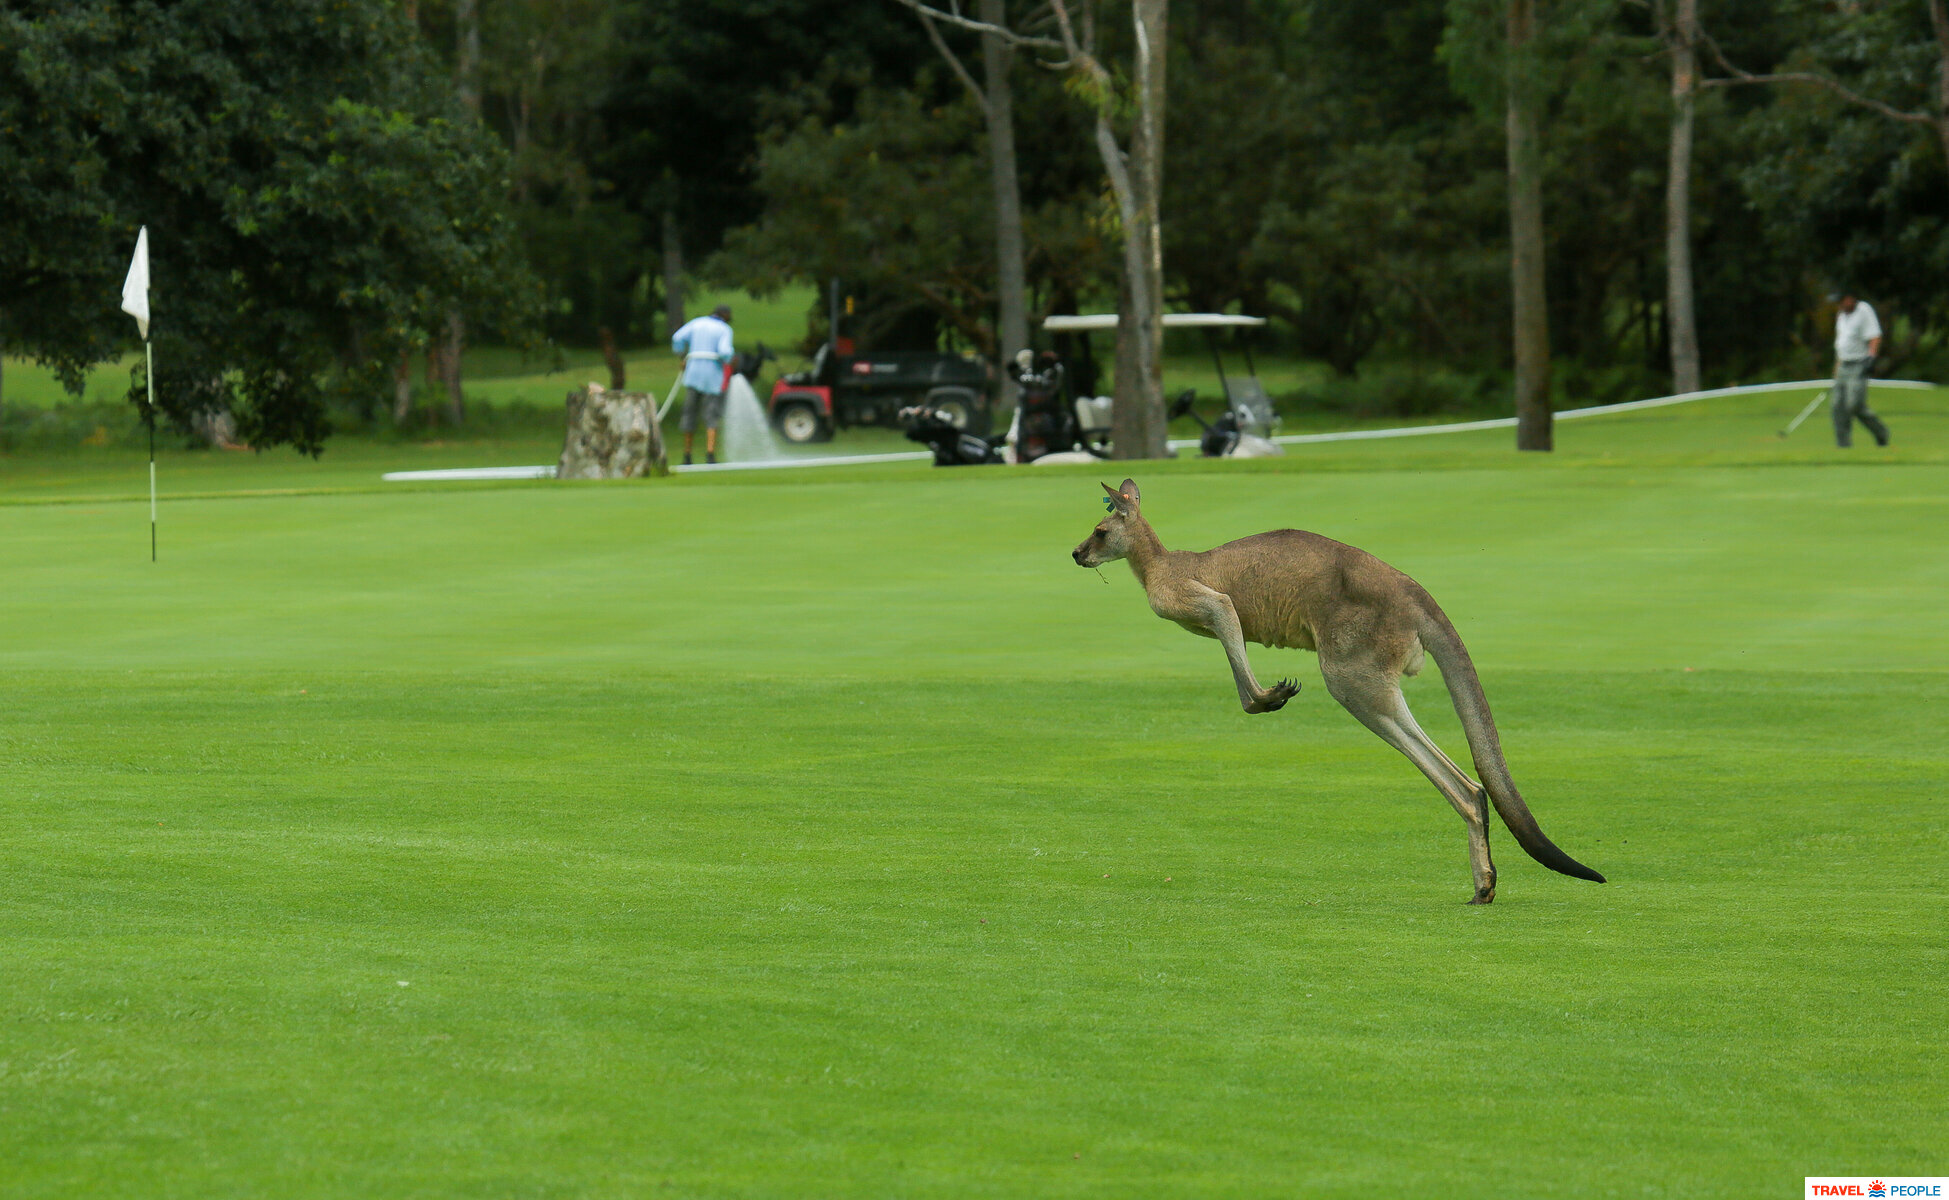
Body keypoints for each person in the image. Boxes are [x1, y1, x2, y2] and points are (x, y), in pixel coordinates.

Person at [671, 304, 735, 465]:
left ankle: (687, 455)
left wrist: (682, 355)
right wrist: (729, 359)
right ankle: (710, 454)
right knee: (711, 414)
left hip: (693, 373)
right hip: (712, 375)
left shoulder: (696, 323)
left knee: (689, 413)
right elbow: (725, 351)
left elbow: (677, 338)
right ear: (725, 315)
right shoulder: (724, 329)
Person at [1831, 292, 1889, 448]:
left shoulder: (1863, 310)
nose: (1839, 305)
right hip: (1843, 364)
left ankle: (1881, 432)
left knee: (1854, 404)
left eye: (1841, 300)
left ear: (1850, 298)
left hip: (1859, 364)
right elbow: (1841, 343)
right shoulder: (1842, 315)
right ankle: (1843, 446)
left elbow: (1875, 336)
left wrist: (1871, 358)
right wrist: (1837, 368)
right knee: (1837, 406)